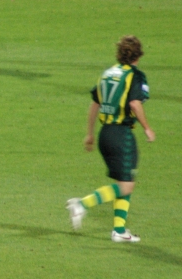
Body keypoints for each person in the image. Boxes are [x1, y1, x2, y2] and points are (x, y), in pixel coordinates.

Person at [66, 35, 155, 243]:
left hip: (105, 133)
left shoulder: (106, 74)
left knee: (124, 180)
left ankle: (119, 230)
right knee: (126, 186)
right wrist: (147, 128)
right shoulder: (135, 75)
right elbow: (134, 103)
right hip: (121, 134)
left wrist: (89, 134)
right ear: (138, 55)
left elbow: (94, 104)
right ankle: (82, 204)